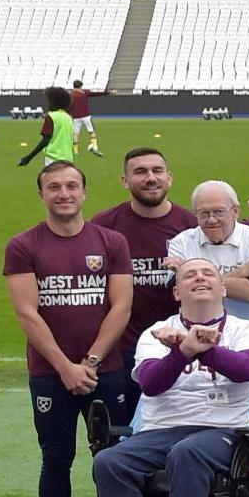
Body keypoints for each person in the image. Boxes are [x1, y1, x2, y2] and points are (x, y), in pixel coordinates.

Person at [83, 256, 249, 497]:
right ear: (177, 292)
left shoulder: (245, 329)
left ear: (222, 287)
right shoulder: (157, 331)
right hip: (162, 429)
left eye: (208, 273)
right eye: (189, 275)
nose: (200, 278)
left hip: (221, 429)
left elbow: (247, 369)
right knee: (110, 461)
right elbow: (151, 384)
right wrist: (182, 352)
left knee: (187, 452)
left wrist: (207, 349)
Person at [5, 162, 134, 497]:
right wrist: (65, 368)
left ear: (84, 192)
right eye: (54, 187)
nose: (64, 193)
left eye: (72, 186)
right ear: (41, 194)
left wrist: (91, 363)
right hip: (50, 375)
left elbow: (121, 308)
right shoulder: (23, 245)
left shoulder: (111, 241)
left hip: (106, 372)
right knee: (56, 460)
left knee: (113, 461)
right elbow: (27, 313)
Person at [92, 148, 200, 407]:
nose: (150, 178)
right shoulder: (104, 226)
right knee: (123, 432)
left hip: (179, 344)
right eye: (140, 172)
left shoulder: (191, 226)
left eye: (157, 171)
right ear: (125, 181)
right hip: (122, 349)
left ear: (169, 177)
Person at [168, 182, 249, 345]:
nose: (212, 219)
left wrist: (194, 279)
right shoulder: (181, 243)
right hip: (197, 346)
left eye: (219, 212)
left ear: (235, 211)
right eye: (204, 213)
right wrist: (242, 272)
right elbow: (181, 295)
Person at [17, 86, 79, 170]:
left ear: (54, 101)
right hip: (68, 158)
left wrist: (28, 158)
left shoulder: (51, 117)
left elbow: (45, 140)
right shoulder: (68, 117)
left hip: (53, 158)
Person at [69, 80, 101, 155]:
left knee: (76, 134)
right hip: (86, 116)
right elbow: (96, 94)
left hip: (76, 118)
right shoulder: (84, 93)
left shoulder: (71, 95)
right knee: (91, 132)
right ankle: (95, 147)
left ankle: (76, 152)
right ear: (81, 86)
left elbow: (69, 106)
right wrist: (108, 92)